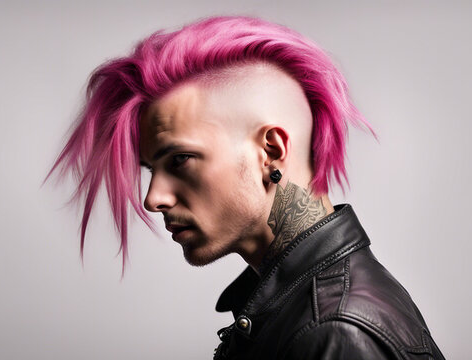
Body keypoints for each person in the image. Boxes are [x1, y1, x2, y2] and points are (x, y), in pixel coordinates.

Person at [47, 16, 445, 360]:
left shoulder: (335, 332)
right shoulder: (302, 307)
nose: (153, 198)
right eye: (151, 169)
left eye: (180, 160)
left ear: (270, 151)